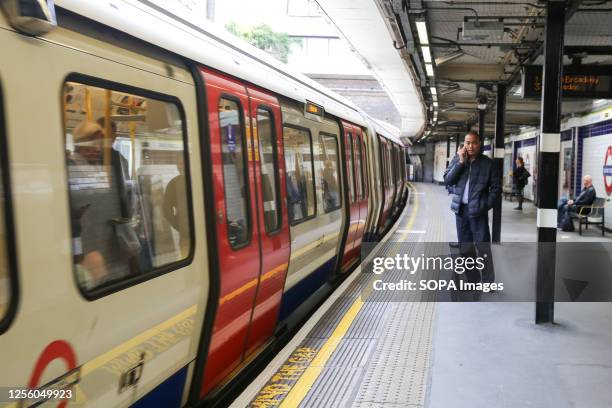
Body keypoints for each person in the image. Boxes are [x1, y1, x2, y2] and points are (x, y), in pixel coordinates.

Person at [444, 130, 501, 284]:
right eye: (467, 143)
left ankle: (488, 282)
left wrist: (484, 206)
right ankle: (472, 280)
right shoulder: (458, 159)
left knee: (483, 249)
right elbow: (448, 180)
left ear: (479, 144)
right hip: (461, 211)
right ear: (463, 144)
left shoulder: (488, 164)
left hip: (478, 213)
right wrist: (461, 162)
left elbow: (496, 189)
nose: (470, 146)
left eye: (474, 143)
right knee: (465, 248)